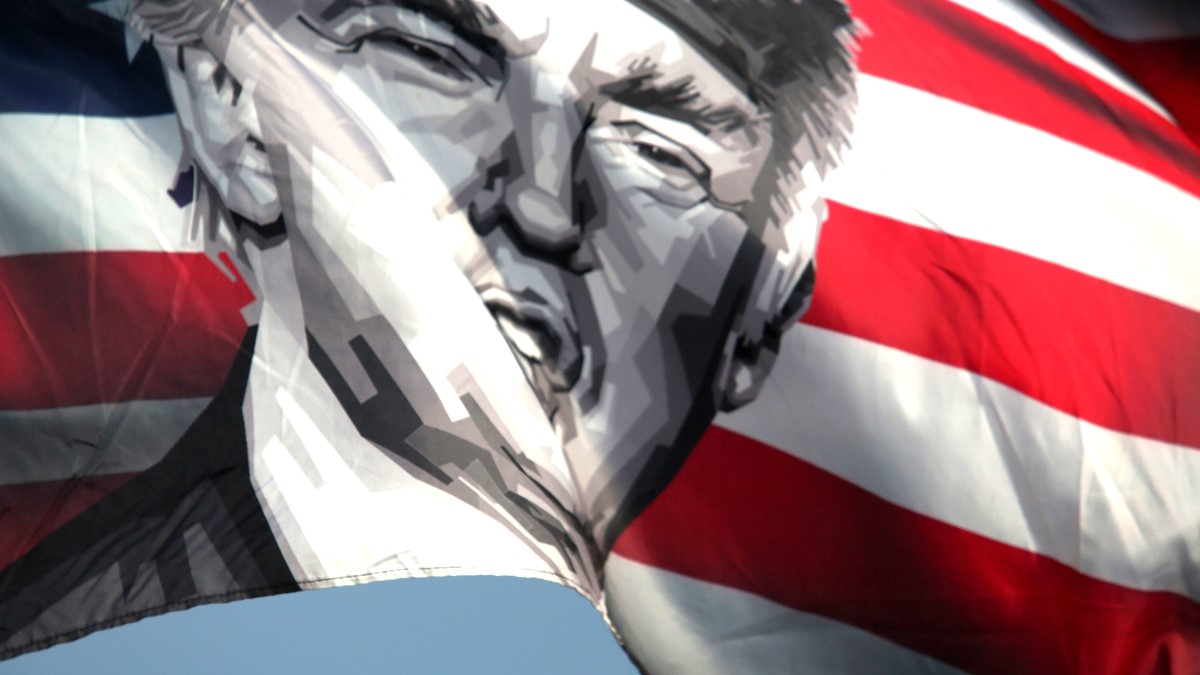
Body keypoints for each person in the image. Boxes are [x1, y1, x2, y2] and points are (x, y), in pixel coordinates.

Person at [0, 0, 856, 656]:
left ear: (764, 310)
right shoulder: (80, 631)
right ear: (232, 119)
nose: (540, 205)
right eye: (430, 61)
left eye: (661, 153)